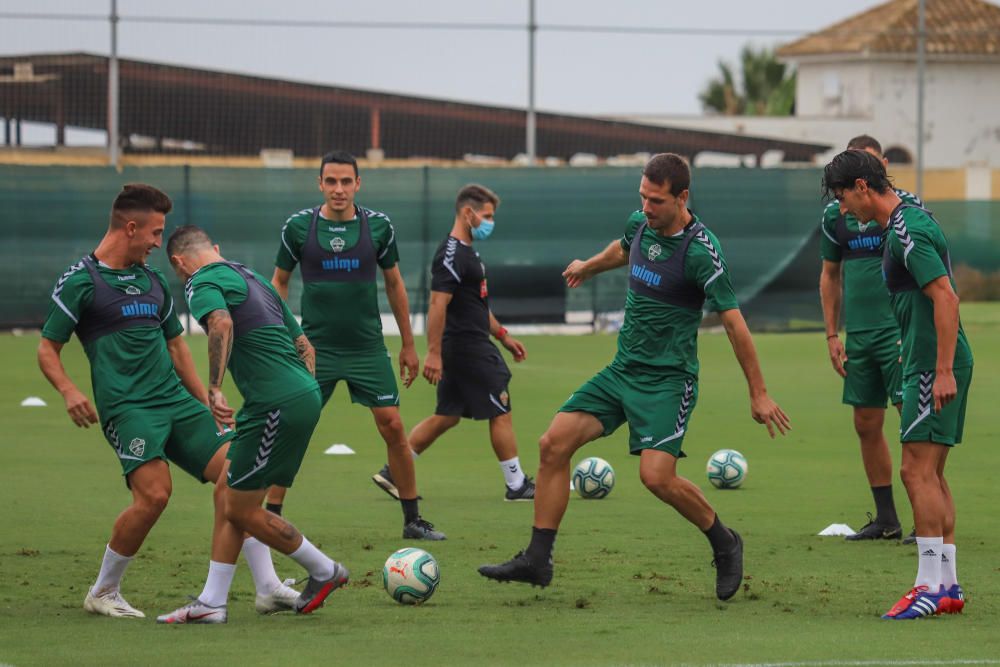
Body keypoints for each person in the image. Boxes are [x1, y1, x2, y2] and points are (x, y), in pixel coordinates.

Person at [478, 154, 790, 600]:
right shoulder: (641, 223)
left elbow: (736, 324)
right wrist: (589, 265)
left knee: (656, 477)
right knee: (552, 445)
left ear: (682, 198)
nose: (646, 207)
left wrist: (759, 394)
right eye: (642, 196)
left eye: (656, 200)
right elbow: (623, 248)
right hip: (622, 371)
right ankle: (537, 559)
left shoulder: (701, 251)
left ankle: (725, 542)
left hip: (668, 381)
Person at [37, 184, 298, 620]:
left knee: (241, 475)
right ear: (131, 227)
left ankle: (268, 587)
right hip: (129, 409)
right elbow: (48, 349)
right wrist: (70, 390)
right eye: (155, 233)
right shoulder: (82, 281)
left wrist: (209, 400)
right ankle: (103, 590)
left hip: (177, 403)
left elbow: (177, 349)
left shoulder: (152, 281)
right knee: (155, 495)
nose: (160, 243)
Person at [158, 225, 349, 623]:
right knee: (229, 491)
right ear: (216, 247)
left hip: (274, 404)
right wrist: (300, 393)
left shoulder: (200, 280)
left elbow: (221, 325)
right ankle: (218, 600)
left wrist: (214, 387)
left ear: (178, 261)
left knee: (242, 510)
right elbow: (304, 346)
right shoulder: (254, 277)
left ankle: (324, 570)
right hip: (298, 395)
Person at [822, 150, 972, 619]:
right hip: (927, 359)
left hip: (933, 367)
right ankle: (946, 586)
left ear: (863, 188)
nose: (843, 209)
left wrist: (941, 368)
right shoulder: (904, 219)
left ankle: (927, 587)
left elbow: (946, 296)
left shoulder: (906, 229)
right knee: (932, 473)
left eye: (844, 197)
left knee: (915, 472)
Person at [270, 150, 444, 541]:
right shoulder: (298, 227)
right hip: (315, 351)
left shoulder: (378, 227)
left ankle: (413, 520)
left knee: (394, 426)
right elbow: (277, 282)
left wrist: (408, 345)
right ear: (320, 184)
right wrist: (286, 337)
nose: (338, 189)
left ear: (358, 184)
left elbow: (395, 284)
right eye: (331, 181)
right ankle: (270, 516)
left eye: (346, 181)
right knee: (294, 428)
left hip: (367, 348)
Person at [371, 184, 534, 502]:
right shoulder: (450, 255)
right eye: (487, 216)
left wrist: (504, 336)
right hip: (467, 347)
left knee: (447, 415)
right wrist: (432, 353)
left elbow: (477, 306)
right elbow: (437, 305)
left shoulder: (467, 251)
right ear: (467, 213)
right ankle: (516, 485)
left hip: (467, 344)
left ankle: (393, 472)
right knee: (501, 410)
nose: (490, 222)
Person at [819, 135, 921, 542]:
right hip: (858, 334)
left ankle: (925, 519)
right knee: (865, 422)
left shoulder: (905, 207)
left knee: (912, 421)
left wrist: (911, 331)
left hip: (897, 331)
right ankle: (886, 519)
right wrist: (831, 333)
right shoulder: (836, 214)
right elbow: (829, 274)